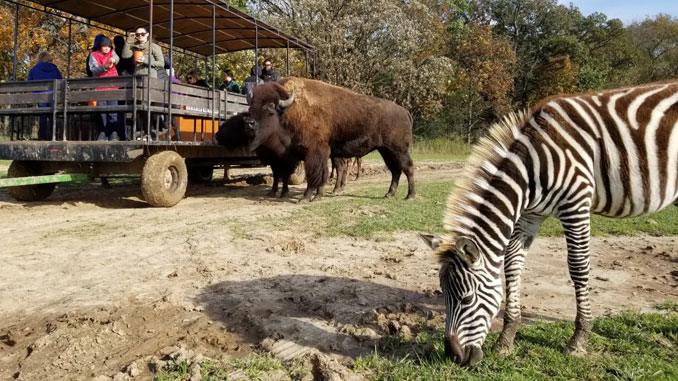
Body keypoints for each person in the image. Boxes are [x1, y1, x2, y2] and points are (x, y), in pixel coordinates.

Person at [89, 36, 123, 141]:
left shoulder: (112, 53)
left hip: (113, 86)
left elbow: (117, 58)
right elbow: (93, 69)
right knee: (102, 111)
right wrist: (104, 67)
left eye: (108, 46)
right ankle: (102, 132)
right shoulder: (93, 55)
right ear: (100, 46)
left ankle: (113, 132)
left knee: (113, 111)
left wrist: (113, 59)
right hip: (100, 87)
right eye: (104, 46)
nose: (107, 48)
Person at [27, 52, 63, 140]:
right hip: (53, 96)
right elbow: (61, 82)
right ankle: (54, 135)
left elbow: (28, 84)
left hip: (40, 96)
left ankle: (42, 136)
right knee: (52, 114)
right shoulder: (55, 70)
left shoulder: (34, 70)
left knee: (42, 114)